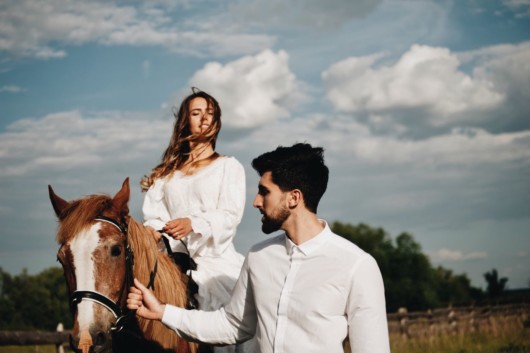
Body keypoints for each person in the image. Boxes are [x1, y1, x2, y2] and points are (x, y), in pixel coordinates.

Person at [130, 143, 391, 353]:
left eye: (264, 192)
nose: (255, 202)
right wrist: (163, 311)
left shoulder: (357, 265)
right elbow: (232, 325)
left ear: (294, 198)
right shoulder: (258, 257)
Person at [140, 88, 251, 352]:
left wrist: (194, 223)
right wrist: (155, 231)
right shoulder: (166, 175)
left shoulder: (228, 167)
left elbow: (230, 214)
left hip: (215, 258)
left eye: (210, 113)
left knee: (237, 319)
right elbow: (155, 217)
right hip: (172, 260)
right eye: (196, 112)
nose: (203, 118)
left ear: (217, 121)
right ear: (184, 121)